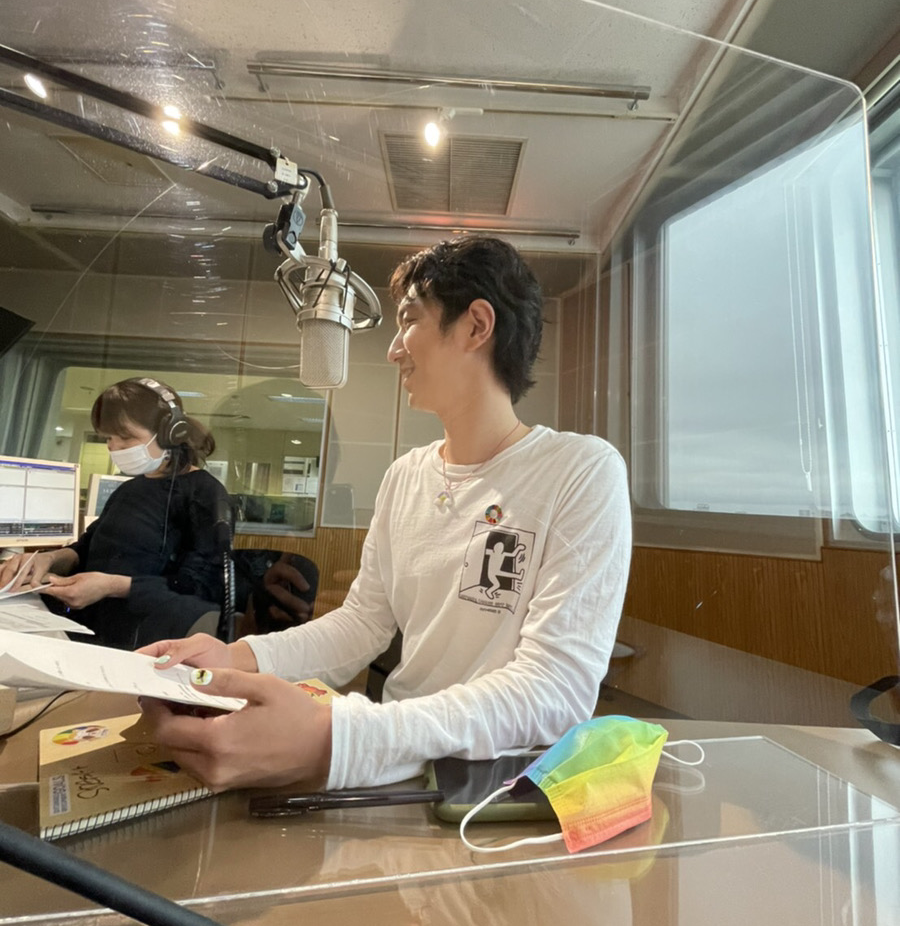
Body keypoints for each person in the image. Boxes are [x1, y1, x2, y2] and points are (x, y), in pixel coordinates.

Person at [137, 236, 632, 791]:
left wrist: (340, 739)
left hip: (493, 785)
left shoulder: (580, 470)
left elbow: (555, 690)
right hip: (394, 763)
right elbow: (363, 623)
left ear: (476, 326)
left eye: (409, 321)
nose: (394, 349)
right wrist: (237, 656)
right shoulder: (406, 475)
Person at [0, 377, 230, 650]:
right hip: (88, 632)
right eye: (108, 437)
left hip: (150, 643)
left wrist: (111, 585)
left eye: (126, 437)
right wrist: (47, 559)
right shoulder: (129, 489)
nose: (113, 447)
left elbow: (202, 587)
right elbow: (86, 549)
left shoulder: (205, 493)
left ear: (171, 433)